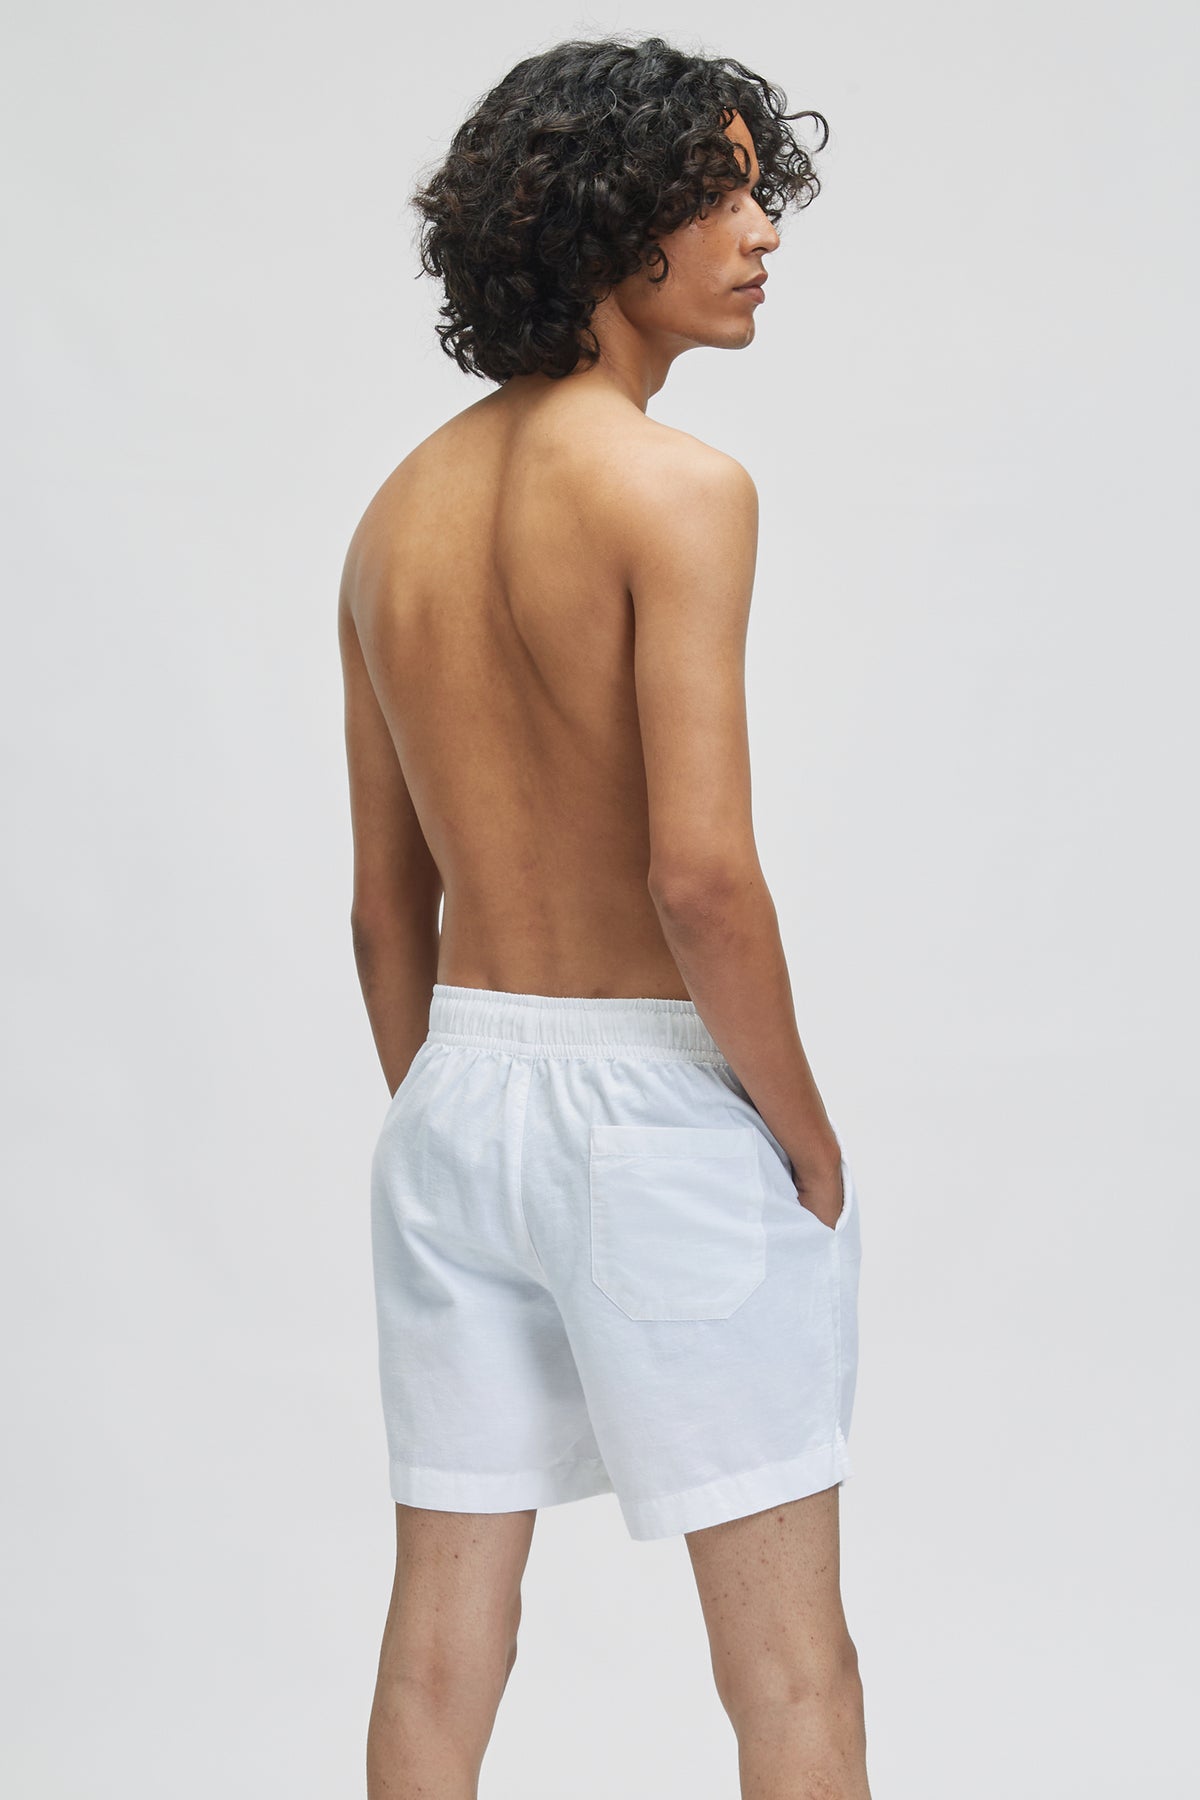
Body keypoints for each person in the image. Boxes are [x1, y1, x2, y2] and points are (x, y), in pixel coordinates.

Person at [339, 33, 871, 1800]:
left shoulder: (391, 521)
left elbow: (385, 910)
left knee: (440, 1651)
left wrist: (455, 1110)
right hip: (658, 1109)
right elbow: (699, 877)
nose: (761, 233)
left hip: (455, 1097)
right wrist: (804, 1137)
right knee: (791, 1674)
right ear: (601, 218)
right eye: (718, 196)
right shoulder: (678, 490)